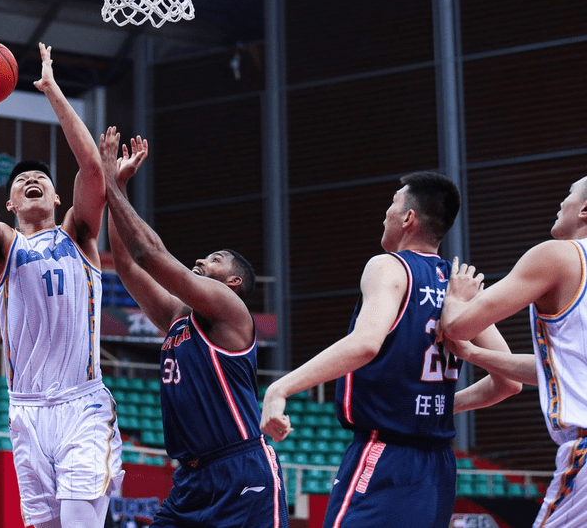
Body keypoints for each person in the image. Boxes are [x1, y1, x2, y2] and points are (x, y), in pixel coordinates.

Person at [259, 172, 520, 528]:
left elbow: (366, 343)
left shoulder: (389, 266)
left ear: (408, 218)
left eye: (392, 204)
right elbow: (509, 382)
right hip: (440, 465)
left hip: (385, 455)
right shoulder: (458, 287)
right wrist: (444, 405)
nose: (385, 214)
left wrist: (280, 387)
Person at [0, 42, 123, 528]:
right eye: (21, 179)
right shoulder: (3, 250)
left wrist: (51, 91)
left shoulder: (79, 235)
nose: (32, 178)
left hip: (82, 403)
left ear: (55, 195)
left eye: (41, 178)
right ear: (8, 203)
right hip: (26, 412)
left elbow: (93, 171)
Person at [98, 127, 288, 528]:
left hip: (242, 471)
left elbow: (148, 253)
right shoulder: (176, 317)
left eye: (216, 259)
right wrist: (117, 188)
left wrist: (108, 181)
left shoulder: (228, 309)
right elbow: (128, 266)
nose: (203, 258)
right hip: (191, 480)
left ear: (233, 282)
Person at [440, 175, 587, 528]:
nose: (561, 202)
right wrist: (477, 356)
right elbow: (557, 369)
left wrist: (458, 297)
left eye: (568, 194)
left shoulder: (559, 255)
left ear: (585, 208)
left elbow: (459, 327)